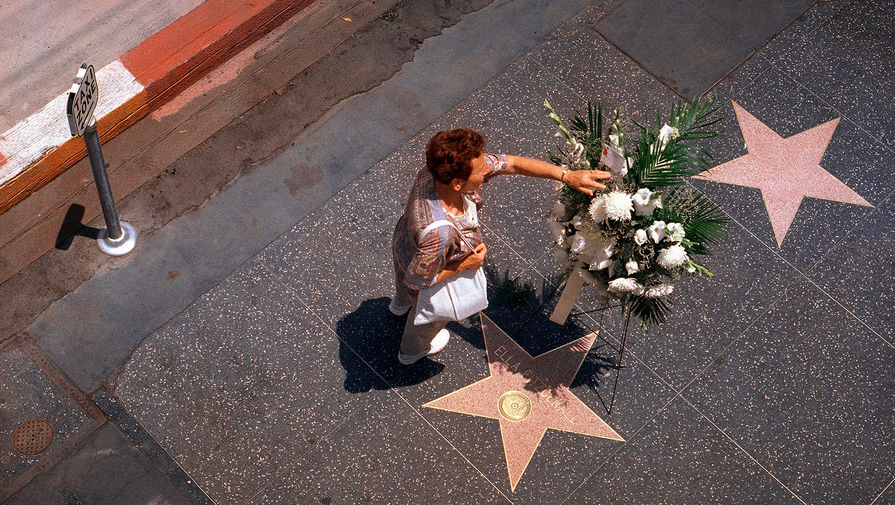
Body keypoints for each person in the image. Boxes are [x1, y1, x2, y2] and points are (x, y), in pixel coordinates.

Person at [390, 128, 609, 365]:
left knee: (403, 292)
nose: (487, 168)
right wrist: (464, 265)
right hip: (428, 265)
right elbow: (417, 280)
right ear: (456, 184)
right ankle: (411, 352)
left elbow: (511, 164)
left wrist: (566, 175)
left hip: (404, 244)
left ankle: (398, 306)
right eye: (480, 169)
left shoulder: (432, 172)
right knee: (424, 320)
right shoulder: (441, 232)